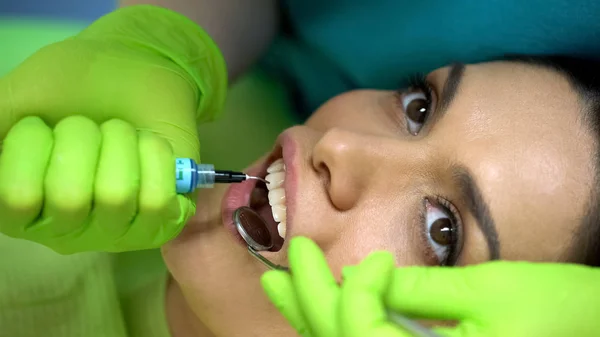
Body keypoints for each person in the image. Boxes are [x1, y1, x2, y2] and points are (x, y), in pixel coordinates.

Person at [0, 3, 599, 337]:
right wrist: (161, 42)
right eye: (419, 108)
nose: (341, 147)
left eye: (442, 231)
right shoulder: (83, 102)